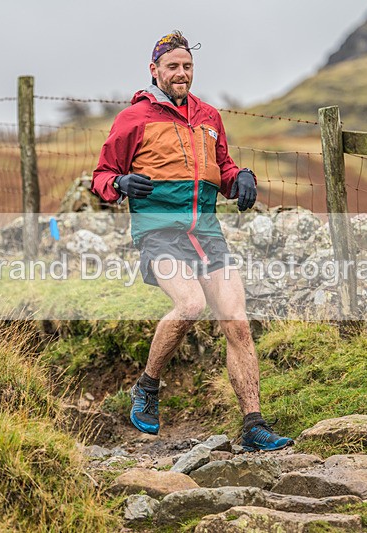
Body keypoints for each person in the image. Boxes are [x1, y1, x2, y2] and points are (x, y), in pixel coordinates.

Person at [91, 31, 293, 452]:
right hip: (159, 234)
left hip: (206, 235)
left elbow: (224, 168)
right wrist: (121, 182)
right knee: (190, 305)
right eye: (173, 67)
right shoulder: (134, 119)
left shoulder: (208, 116)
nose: (181, 73)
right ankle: (147, 386)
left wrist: (242, 179)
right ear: (155, 71)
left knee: (236, 322)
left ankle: (254, 425)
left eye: (187, 67)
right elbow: (102, 176)